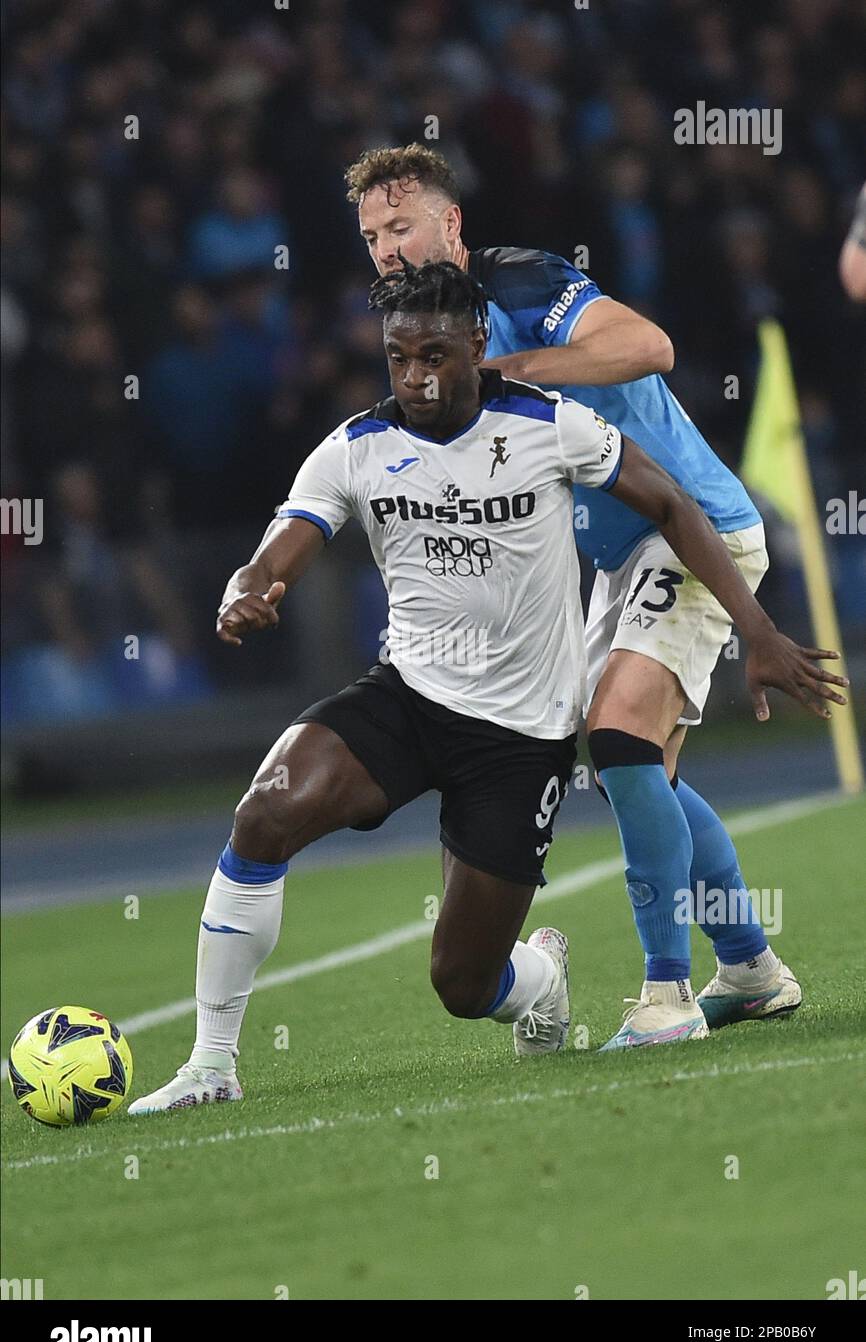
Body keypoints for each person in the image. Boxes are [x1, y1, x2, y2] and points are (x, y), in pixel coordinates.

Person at [130, 259, 845, 1114]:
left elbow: (673, 508)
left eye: (434, 355)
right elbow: (285, 540)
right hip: (407, 698)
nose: (417, 379)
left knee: (463, 982)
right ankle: (213, 1066)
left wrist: (758, 633)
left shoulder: (550, 425)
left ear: (478, 345)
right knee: (266, 810)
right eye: (399, 359)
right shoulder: (360, 445)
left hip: (517, 741)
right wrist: (247, 588)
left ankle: (543, 979)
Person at [346, 144, 849, 1048]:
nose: (385, 246)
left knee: (619, 740)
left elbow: (647, 345)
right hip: (615, 562)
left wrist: (517, 371)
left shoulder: (522, 283)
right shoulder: (426, 345)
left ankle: (667, 998)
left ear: (450, 224)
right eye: (372, 233)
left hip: (692, 522)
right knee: (632, 773)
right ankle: (750, 967)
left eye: (401, 224)